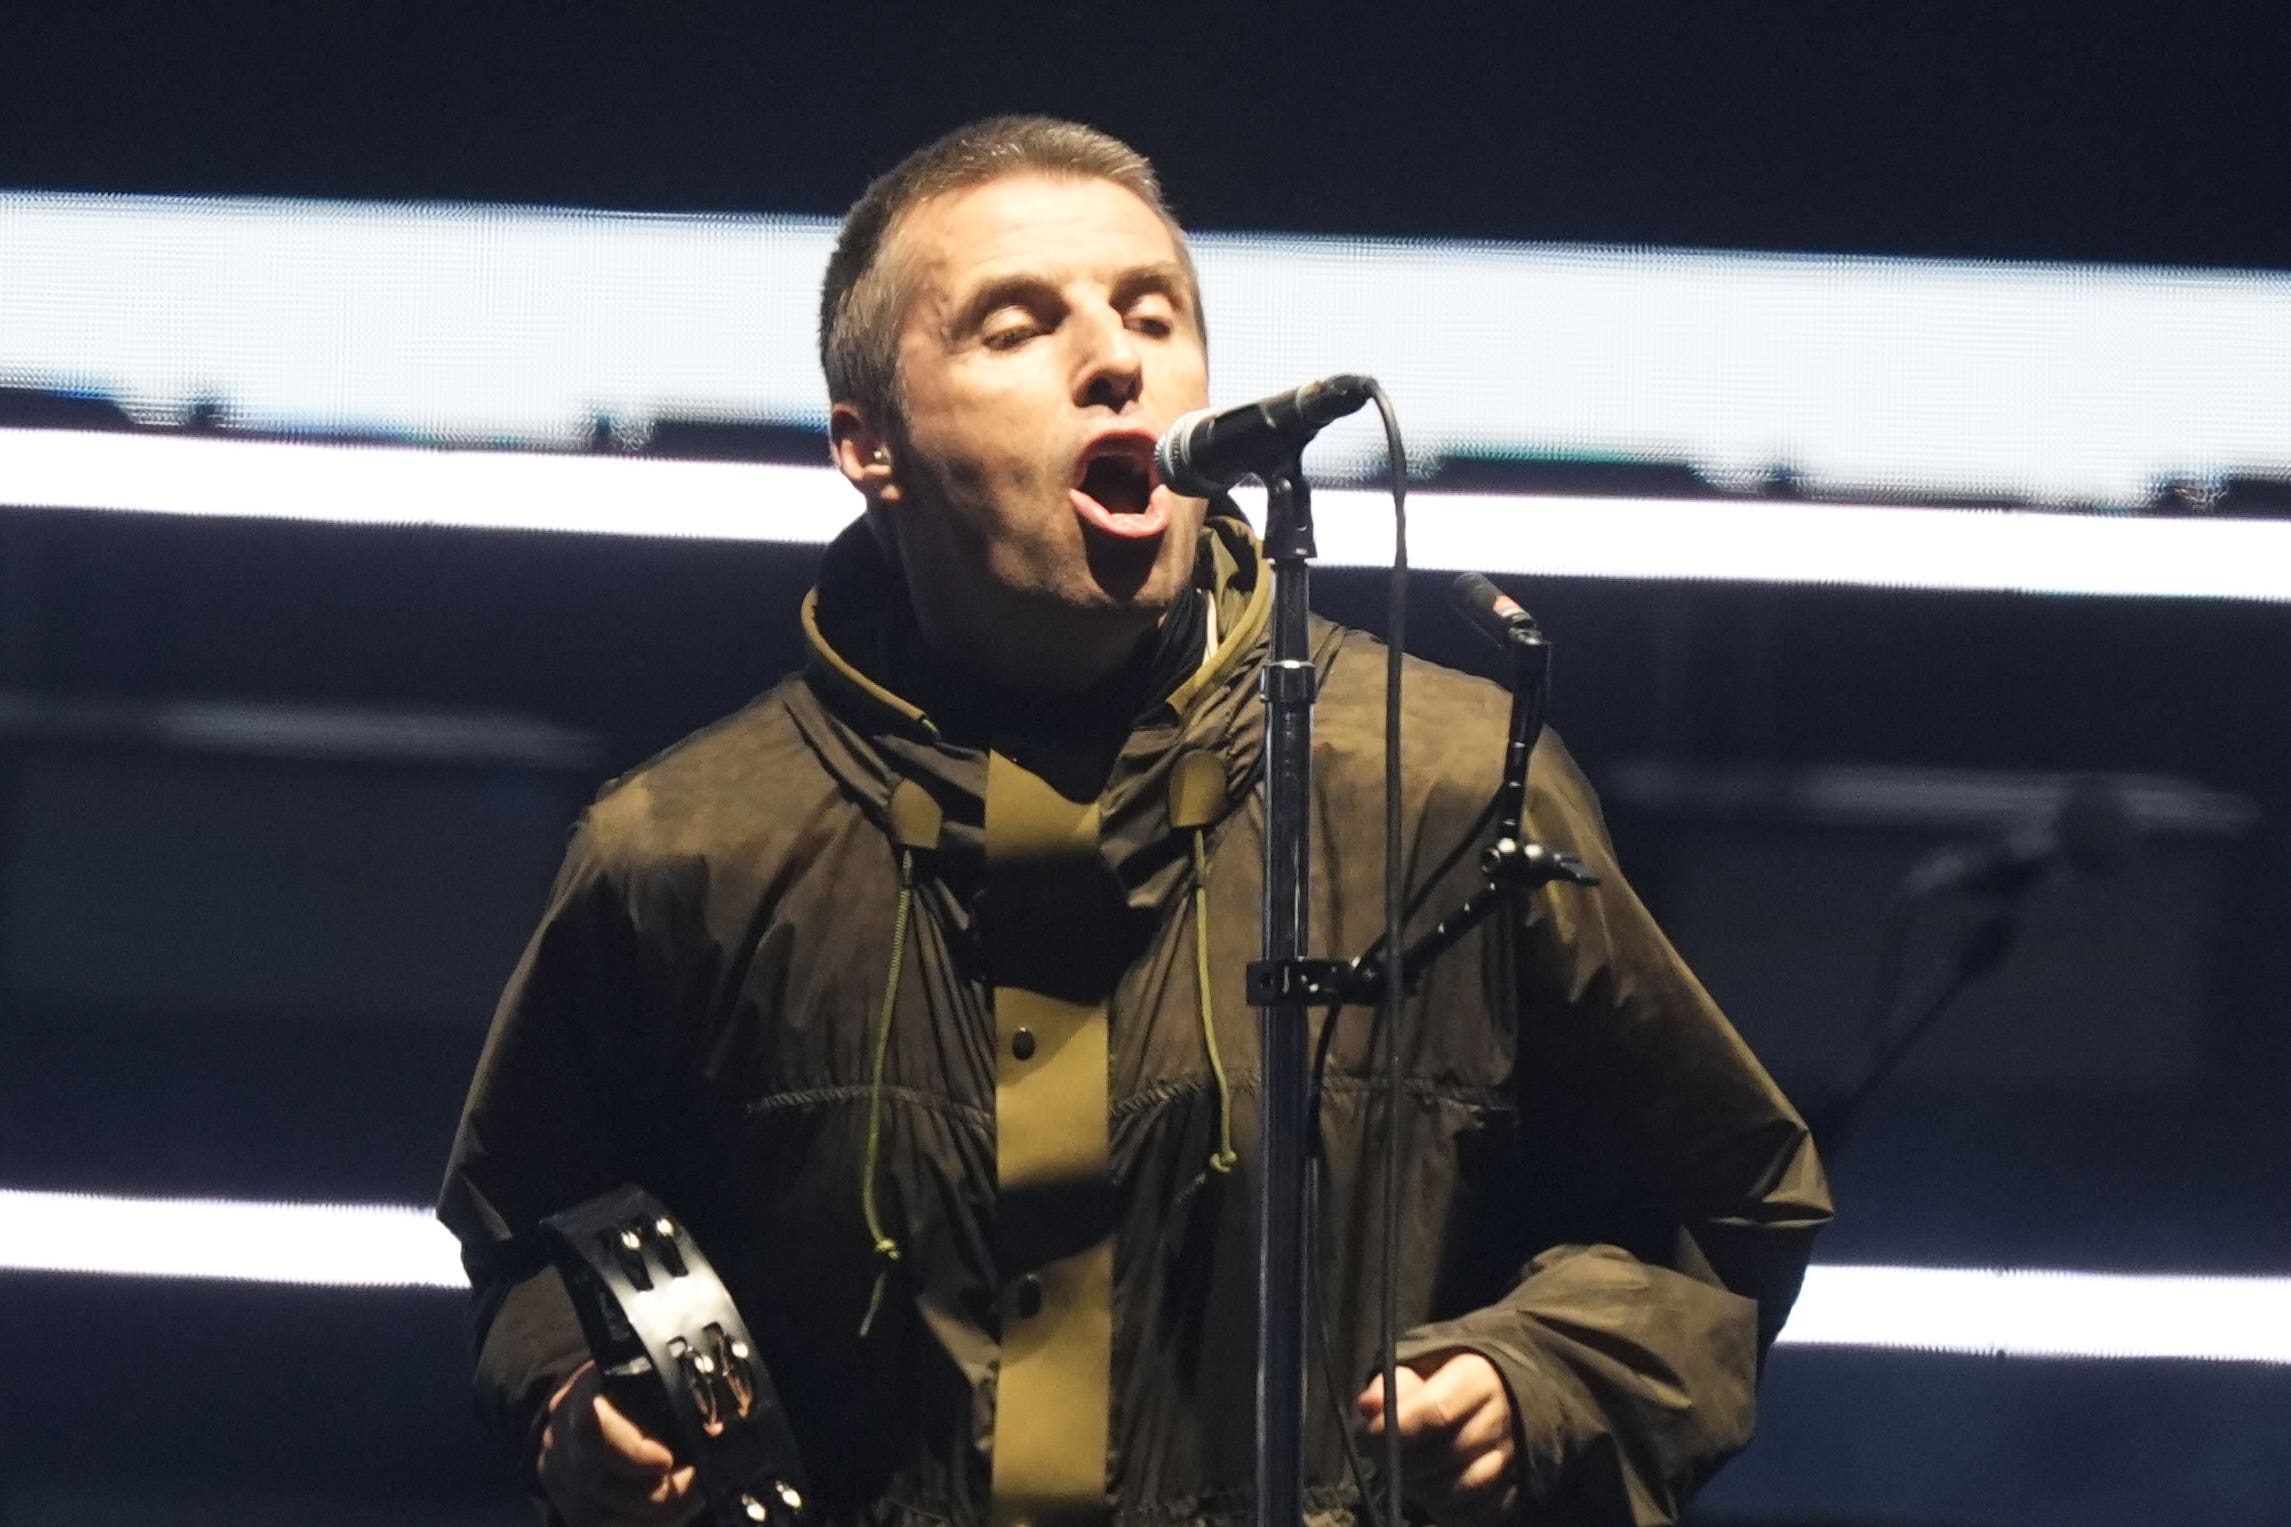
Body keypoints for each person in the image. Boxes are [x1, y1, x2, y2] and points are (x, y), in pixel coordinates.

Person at [438, 116, 1831, 1527]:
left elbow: (1713, 1206)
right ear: (869, 443)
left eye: (1154, 316)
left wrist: (1537, 1382)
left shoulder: (1448, 785)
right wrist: (576, 1398)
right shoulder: (687, 849)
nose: (1116, 359)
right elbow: (536, 1233)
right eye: (1016, 327)